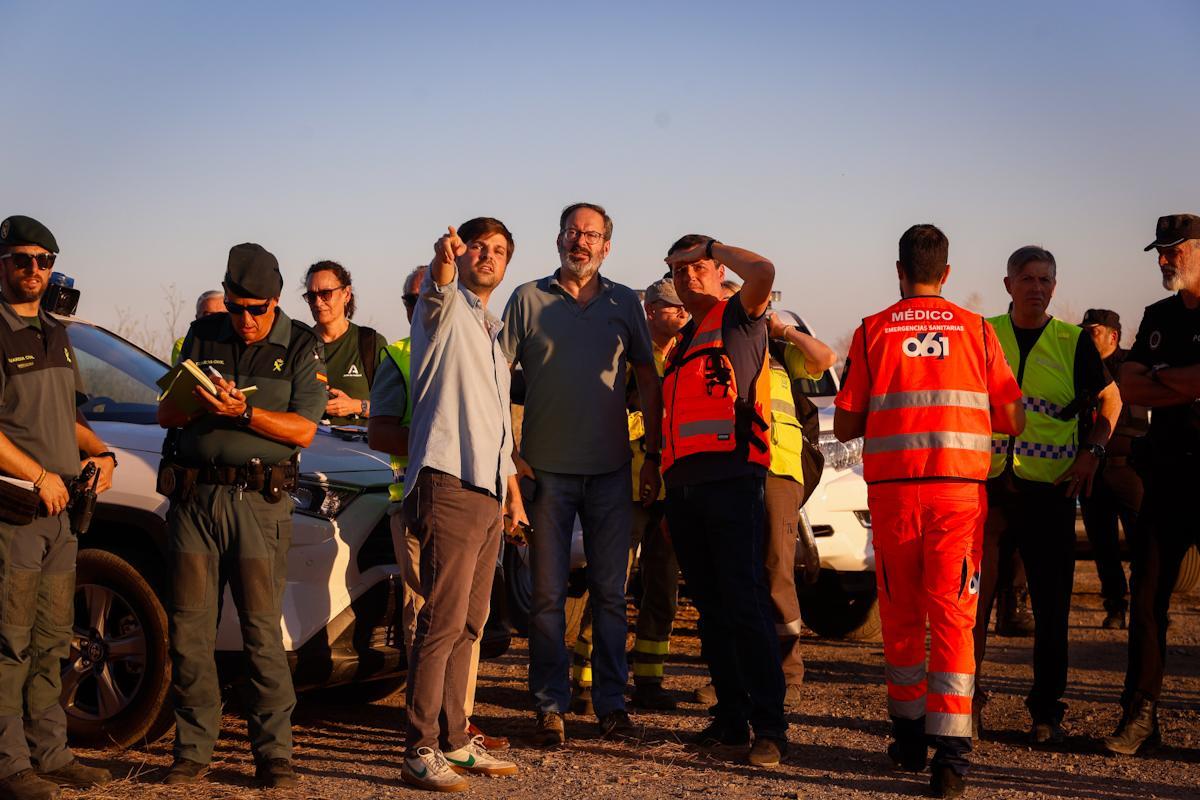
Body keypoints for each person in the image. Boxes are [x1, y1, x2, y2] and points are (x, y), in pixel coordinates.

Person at [834, 224, 1024, 798]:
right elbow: (1014, 419)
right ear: (947, 273)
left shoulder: (871, 332)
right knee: (953, 619)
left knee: (900, 614)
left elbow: (844, 423)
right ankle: (951, 757)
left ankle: (909, 737)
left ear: (898, 270)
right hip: (958, 497)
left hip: (894, 496)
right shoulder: (978, 332)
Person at [156, 243, 326, 788]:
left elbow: (303, 429)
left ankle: (274, 754)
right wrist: (202, 404)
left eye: (257, 309)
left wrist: (246, 412)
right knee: (189, 630)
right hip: (195, 502)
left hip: (258, 504)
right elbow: (166, 411)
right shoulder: (203, 334)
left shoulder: (299, 344)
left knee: (260, 632)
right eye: (236, 307)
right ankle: (192, 750)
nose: (246, 319)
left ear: (275, 303)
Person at [500, 202, 661, 745]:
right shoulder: (527, 298)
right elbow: (496, 376)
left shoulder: (624, 302)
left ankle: (612, 704)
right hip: (545, 473)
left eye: (591, 235)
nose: (581, 242)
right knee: (546, 597)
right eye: (572, 232)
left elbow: (647, 376)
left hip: (612, 472)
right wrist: (509, 454)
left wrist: (655, 455)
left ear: (607, 246)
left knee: (611, 594)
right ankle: (550, 705)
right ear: (559, 239)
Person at [972, 245, 1120, 746]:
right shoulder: (982, 332)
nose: (1037, 288)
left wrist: (1091, 454)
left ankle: (1045, 712)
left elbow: (1111, 400)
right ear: (1008, 283)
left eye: (1046, 280)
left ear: (1055, 287)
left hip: (1050, 491)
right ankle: (964, 703)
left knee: (1052, 607)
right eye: (1028, 279)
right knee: (972, 603)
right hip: (987, 488)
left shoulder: (1072, 341)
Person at [399, 219, 526, 791]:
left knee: (471, 624)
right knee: (442, 621)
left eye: (500, 251)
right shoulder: (445, 310)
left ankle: (454, 739)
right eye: (479, 246)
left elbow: (498, 425)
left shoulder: (491, 331)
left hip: (487, 490)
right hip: (447, 480)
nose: (489, 257)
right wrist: (443, 265)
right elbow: (436, 293)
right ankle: (419, 747)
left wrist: (510, 492)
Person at [0, 215, 118, 800]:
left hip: (62, 512)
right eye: (22, 259)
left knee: (51, 639)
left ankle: (49, 752)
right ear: (3, 264)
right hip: (15, 511)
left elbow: (67, 421)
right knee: (10, 641)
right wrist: (39, 474)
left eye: (44, 261)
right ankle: (8, 764)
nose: (35, 271)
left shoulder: (55, 331)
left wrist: (102, 452)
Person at [660, 233, 788, 767]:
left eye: (699, 267)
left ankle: (771, 728)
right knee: (712, 611)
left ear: (718, 273)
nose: (689, 276)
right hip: (686, 489)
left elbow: (764, 271)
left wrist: (713, 244)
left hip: (733, 481)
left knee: (745, 603)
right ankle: (732, 720)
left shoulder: (737, 317)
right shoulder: (682, 340)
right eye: (678, 269)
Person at [367, 265, 506, 750]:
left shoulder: (482, 342)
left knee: (467, 622)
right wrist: (447, 439)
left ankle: (457, 729)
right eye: (412, 300)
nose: (419, 306)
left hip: (480, 494)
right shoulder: (401, 355)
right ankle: (421, 737)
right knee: (428, 619)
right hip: (424, 497)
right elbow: (379, 432)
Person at [570, 278, 688, 712]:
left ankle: (650, 681)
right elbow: (606, 416)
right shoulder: (621, 357)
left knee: (661, 588)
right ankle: (585, 681)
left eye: (683, 309)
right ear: (650, 310)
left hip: (671, 490)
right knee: (610, 586)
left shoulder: (686, 353)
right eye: (673, 308)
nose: (681, 315)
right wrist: (653, 426)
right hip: (627, 486)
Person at [1105, 213, 1200, 755]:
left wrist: (1161, 377)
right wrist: (1182, 383)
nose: (1164, 260)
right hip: (1163, 476)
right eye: (1159, 251)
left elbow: (1150, 378)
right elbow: (1130, 381)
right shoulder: (1158, 314)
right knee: (1145, 601)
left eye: (1174, 250)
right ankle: (1140, 715)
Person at [763, 309, 837, 707]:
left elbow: (825, 359)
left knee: (777, 570)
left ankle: (788, 673)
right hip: (726, 471)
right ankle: (735, 676)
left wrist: (785, 330)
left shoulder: (778, 349)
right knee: (733, 578)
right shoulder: (711, 350)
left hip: (778, 467)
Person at [1079, 309, 1147, 630]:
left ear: (1112, 336)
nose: (1086, 336)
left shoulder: (1134, 367)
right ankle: (1115, 606)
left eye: (1092, 331)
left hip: (1130, 472)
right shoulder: (1078, 369)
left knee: (1143, 544)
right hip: (1094, 471)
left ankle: (1146, 606)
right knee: (1103, 545)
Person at [302, 261, 387, 426]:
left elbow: (393, 408)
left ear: (346, 294)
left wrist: (355, 406)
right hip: (309, 449)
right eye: (311, 296)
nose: (318, 303)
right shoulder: (299, 344)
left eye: (326, 294)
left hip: (358, 449)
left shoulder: (370, 343)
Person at [171, 290, 224, 364]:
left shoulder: (238, 344)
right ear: (197, 318)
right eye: (208, 316)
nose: (214, 320)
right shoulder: (184, 344)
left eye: (220, 315)